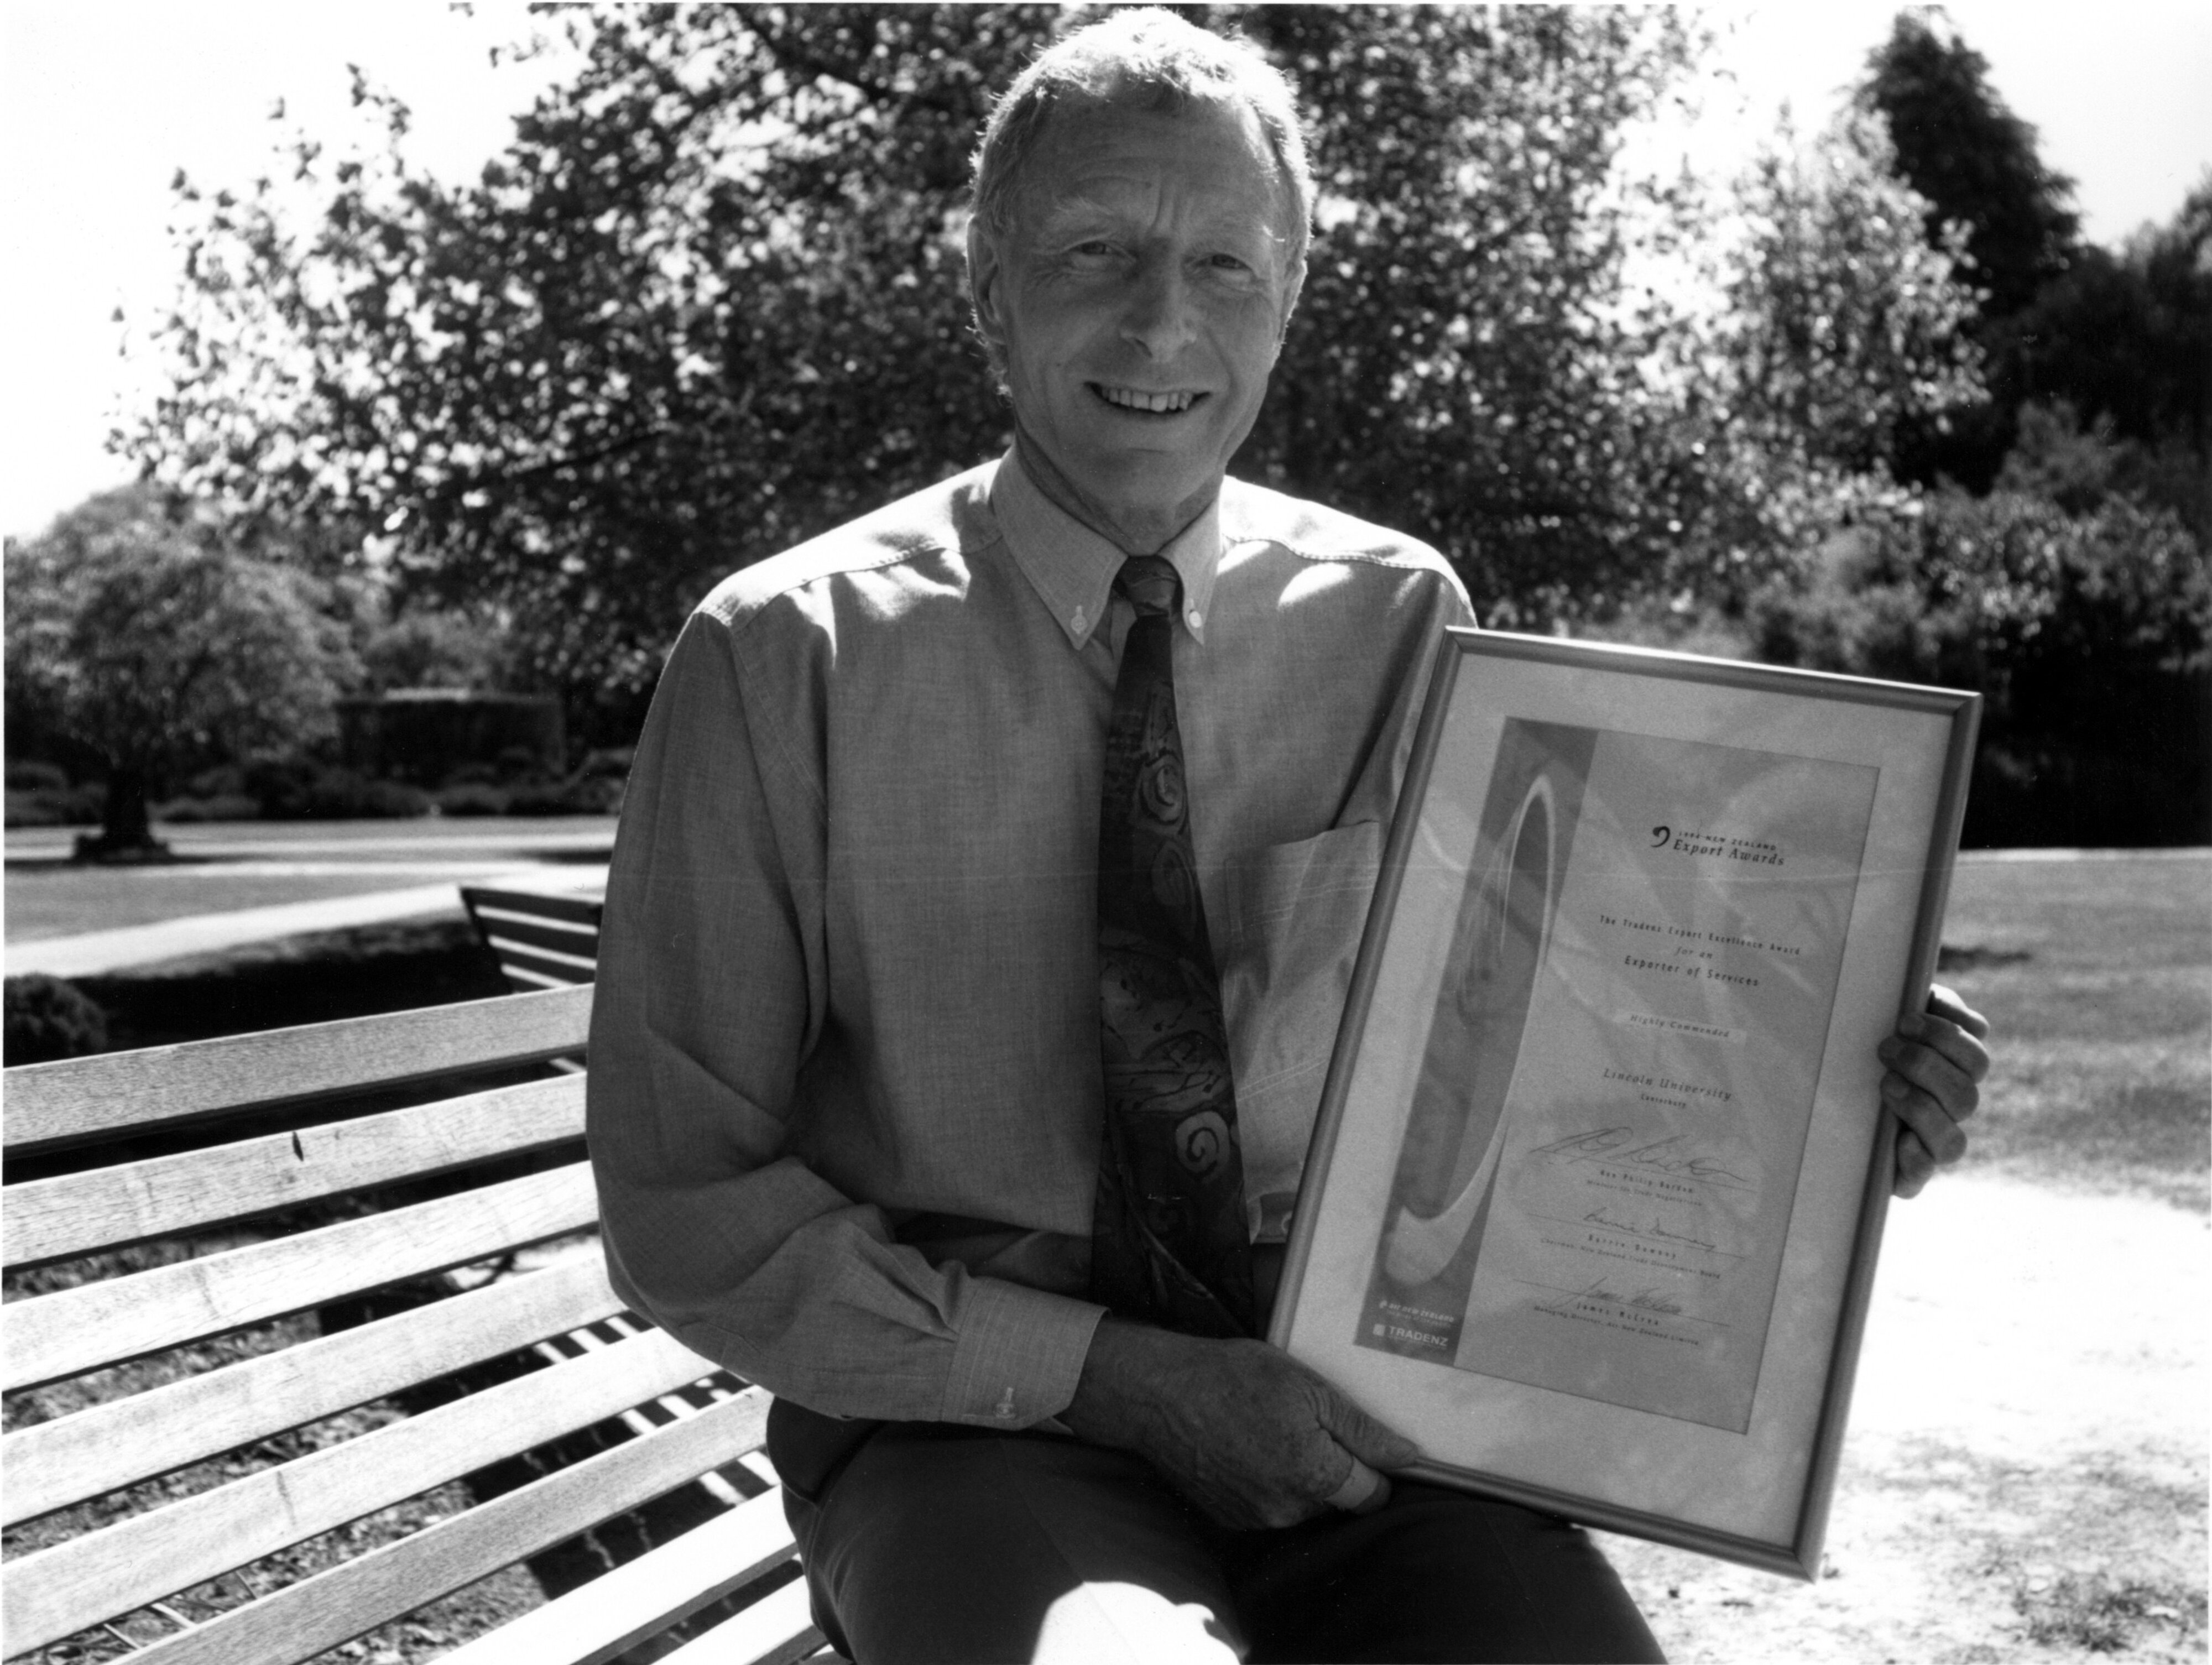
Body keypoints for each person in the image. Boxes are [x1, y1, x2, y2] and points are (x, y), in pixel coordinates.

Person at [586, 12, 1992, 1662]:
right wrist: (1122, 1377)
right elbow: (688, 1199)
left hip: (1352, 1420)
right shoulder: (778, 660)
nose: (1161, 317)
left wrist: (1815, 1099)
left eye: (1224, 266)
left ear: (1291, 299)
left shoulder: (1405, 620)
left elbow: (1524, 1074)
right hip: (963, 1427)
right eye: (1094, 249)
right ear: (987, 292)